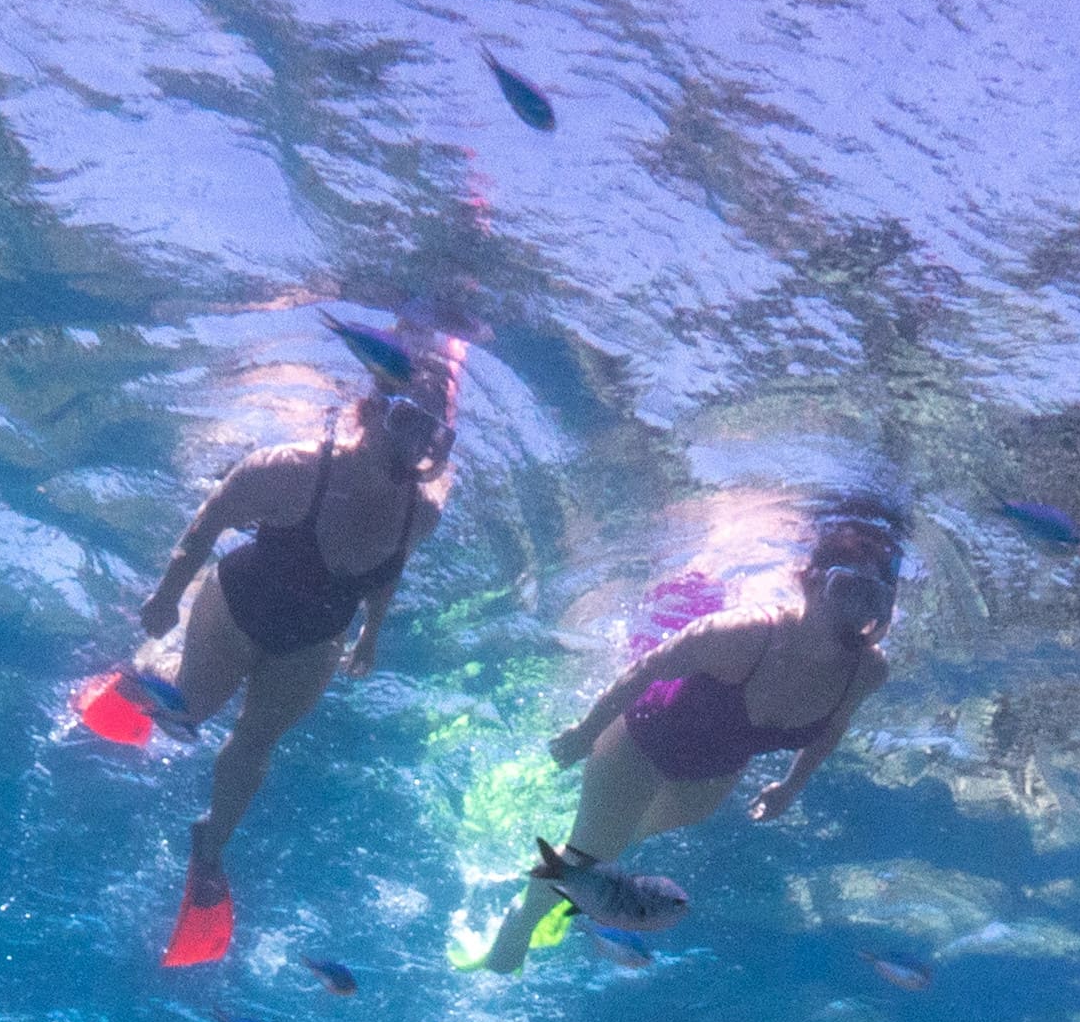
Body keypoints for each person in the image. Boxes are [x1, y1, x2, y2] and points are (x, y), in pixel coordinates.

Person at [127, 361, 454, 949]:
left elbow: (388, 572)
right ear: (371, 412)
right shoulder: (294, 470)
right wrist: (167, 594)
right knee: (190, 708)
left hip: (314, 644)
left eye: (429, 433)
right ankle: (145, 675)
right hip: (236, 609)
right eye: (406, 422)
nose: (414, 446)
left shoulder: (421, 514)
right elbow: (213, 517)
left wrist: (371, 634)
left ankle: (211, 846)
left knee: (257, 741)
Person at [480, 511, 898, 970]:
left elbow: (833, 727)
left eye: (871, 594)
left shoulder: (868, 669)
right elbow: (645, 669)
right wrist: (586, 733)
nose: (853, 609)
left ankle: (577, 892)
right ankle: (519, 923)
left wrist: (791, 785)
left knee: (621, 844)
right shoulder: (744, 634)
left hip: (712, 774)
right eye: (845, 587)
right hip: (642, 742)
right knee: (590, 852)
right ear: (808, 580)